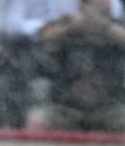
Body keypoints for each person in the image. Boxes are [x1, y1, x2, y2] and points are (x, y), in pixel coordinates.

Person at [26, 2, 125, 132]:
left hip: (110, 107)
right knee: (37, 121)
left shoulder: (116, 26)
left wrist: (103, 27)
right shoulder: (67, 24)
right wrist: (72, 28)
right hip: (65, 107)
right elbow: (44, 38)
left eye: (105, 13)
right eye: (97, 11)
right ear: (83, 8)